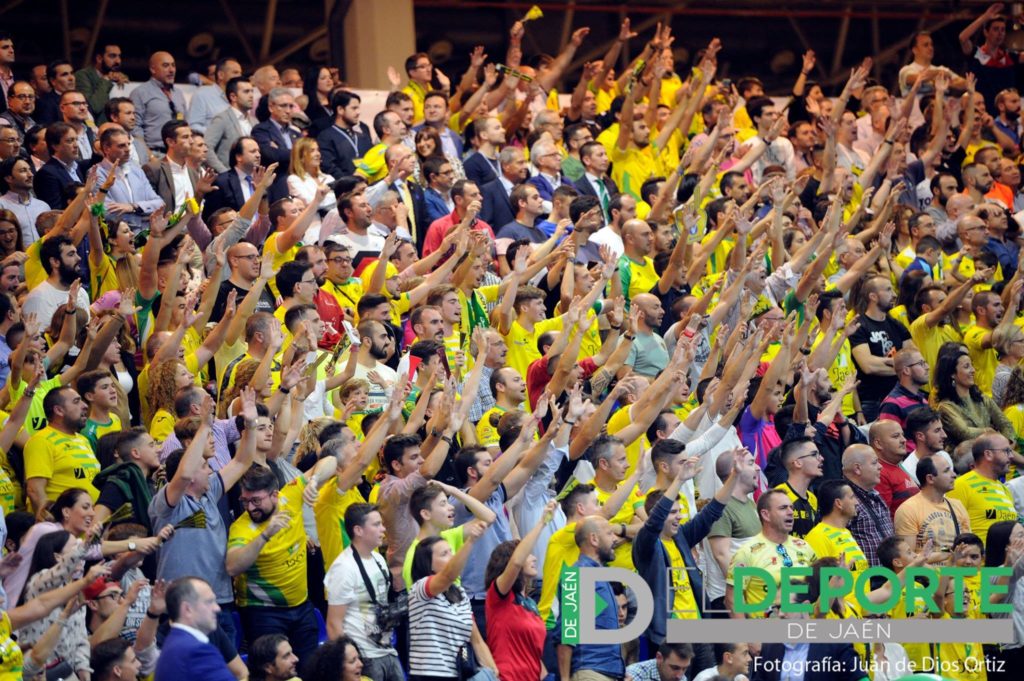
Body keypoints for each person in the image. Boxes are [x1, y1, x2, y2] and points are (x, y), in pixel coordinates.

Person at [408, 520, 498, 680]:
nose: (453, 556)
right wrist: (470, 541)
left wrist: (493, 673)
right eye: (444, 554)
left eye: (451, 551)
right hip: (428, 676)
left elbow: (476, 641)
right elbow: (448, 575)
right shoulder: (420, 589)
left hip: (458, 674)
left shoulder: (460, 593)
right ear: (429, 565)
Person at [324, 503, 404, 681]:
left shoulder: (378, 559)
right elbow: (333, 624)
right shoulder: (343, 567)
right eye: (376, 524)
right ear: (358, 530)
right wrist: (352, 663)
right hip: (364, 656)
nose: (383, 529)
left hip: (387, 648)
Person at [484, 500, 556, 681]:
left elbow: (534, 654)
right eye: (527, 553)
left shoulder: (531, 604)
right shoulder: (499, 597)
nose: (533, 558)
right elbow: (517, 561)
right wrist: (543, 522)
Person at [725, 489, 816, 618]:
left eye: (791, 507)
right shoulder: (746, 553)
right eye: (783, 508)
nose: (791, 512)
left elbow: (819, 589)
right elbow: (732, 600)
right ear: (766, 515)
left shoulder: (804, 546)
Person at [154, 576, 236, 681]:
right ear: (187, 609)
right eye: (209, 602)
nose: (217, 608)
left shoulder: (173, 641)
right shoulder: (197, 652)